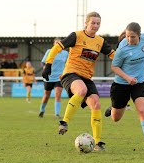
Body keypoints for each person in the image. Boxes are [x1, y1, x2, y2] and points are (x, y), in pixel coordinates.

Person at [42, 11, 115, 151]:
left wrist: (126, 61)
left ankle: (98, 143)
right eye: (93, 23)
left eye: (98, 23)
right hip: (70, 74)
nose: (95, 26)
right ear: (86, 23)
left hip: (87, 77)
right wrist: (48, 64)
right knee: (82, 90)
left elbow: (113, 55)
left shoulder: (100, 42)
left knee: (96, 104)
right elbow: (57, 47)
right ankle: (64, 122)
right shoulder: (76, 36)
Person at [104, 22, 144, 152]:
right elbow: (114, 67)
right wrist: (128, 78)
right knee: (116, 118)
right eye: (127, 36)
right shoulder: (122, 49)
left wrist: (134, 79)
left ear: (139, 36)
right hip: (121, 84)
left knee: (142, 110)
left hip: (139, 83)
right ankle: (113, 108)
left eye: (132, 37)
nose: (129, 39)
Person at [39, 37, 69, 118]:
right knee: (46, 95)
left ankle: (57, 114)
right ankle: (42, 110)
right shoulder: (49, 51)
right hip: (49, 77)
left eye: (60, 43)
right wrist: (44, 68)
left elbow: (69, 63)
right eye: (56, 43)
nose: (58, 44)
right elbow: (43, 62)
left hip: (59, 77)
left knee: (58, 94)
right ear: (53, 44)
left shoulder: (65, 53)